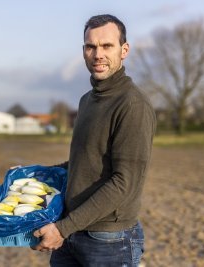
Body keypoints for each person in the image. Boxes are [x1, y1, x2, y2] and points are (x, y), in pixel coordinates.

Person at [31, 14, 156, 266]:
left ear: (124, 50)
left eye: (107, 46)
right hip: (71, 231)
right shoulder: (87, 101)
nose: (98, 54)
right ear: (84, 51)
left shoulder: (132, 105)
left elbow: (124, 182)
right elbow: (83, 163)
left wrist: (63, 228)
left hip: (108, 240)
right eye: (91, 46)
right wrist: (34, 174)